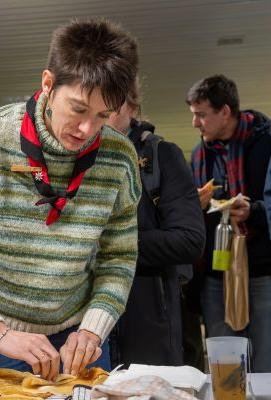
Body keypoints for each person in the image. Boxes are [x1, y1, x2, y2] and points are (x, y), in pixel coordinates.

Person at [0, 18, 141, 380]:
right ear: (48, 83)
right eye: (78, 109)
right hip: (3, 332)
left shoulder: (119, 158)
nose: (87, 130)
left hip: (79, 333)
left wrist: (93, 329)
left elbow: (119, 258)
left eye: (103, 116)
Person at [106, 86, 205, 367]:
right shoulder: (73, 156)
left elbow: (189, 240)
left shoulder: (162, 155)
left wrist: (109, 243)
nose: (100, 116)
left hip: (148, 315)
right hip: (84, 325)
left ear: (133, 108)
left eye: (112, 107)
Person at [187, 74, 271, 372]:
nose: (195, 123)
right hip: (216, 272)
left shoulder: (265, 143)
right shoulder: (199, 155)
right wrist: (194, 204)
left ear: (224, 112)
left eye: (201, 115)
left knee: (265, 358)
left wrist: (254, 211)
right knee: (225, 363)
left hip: (262, 269)